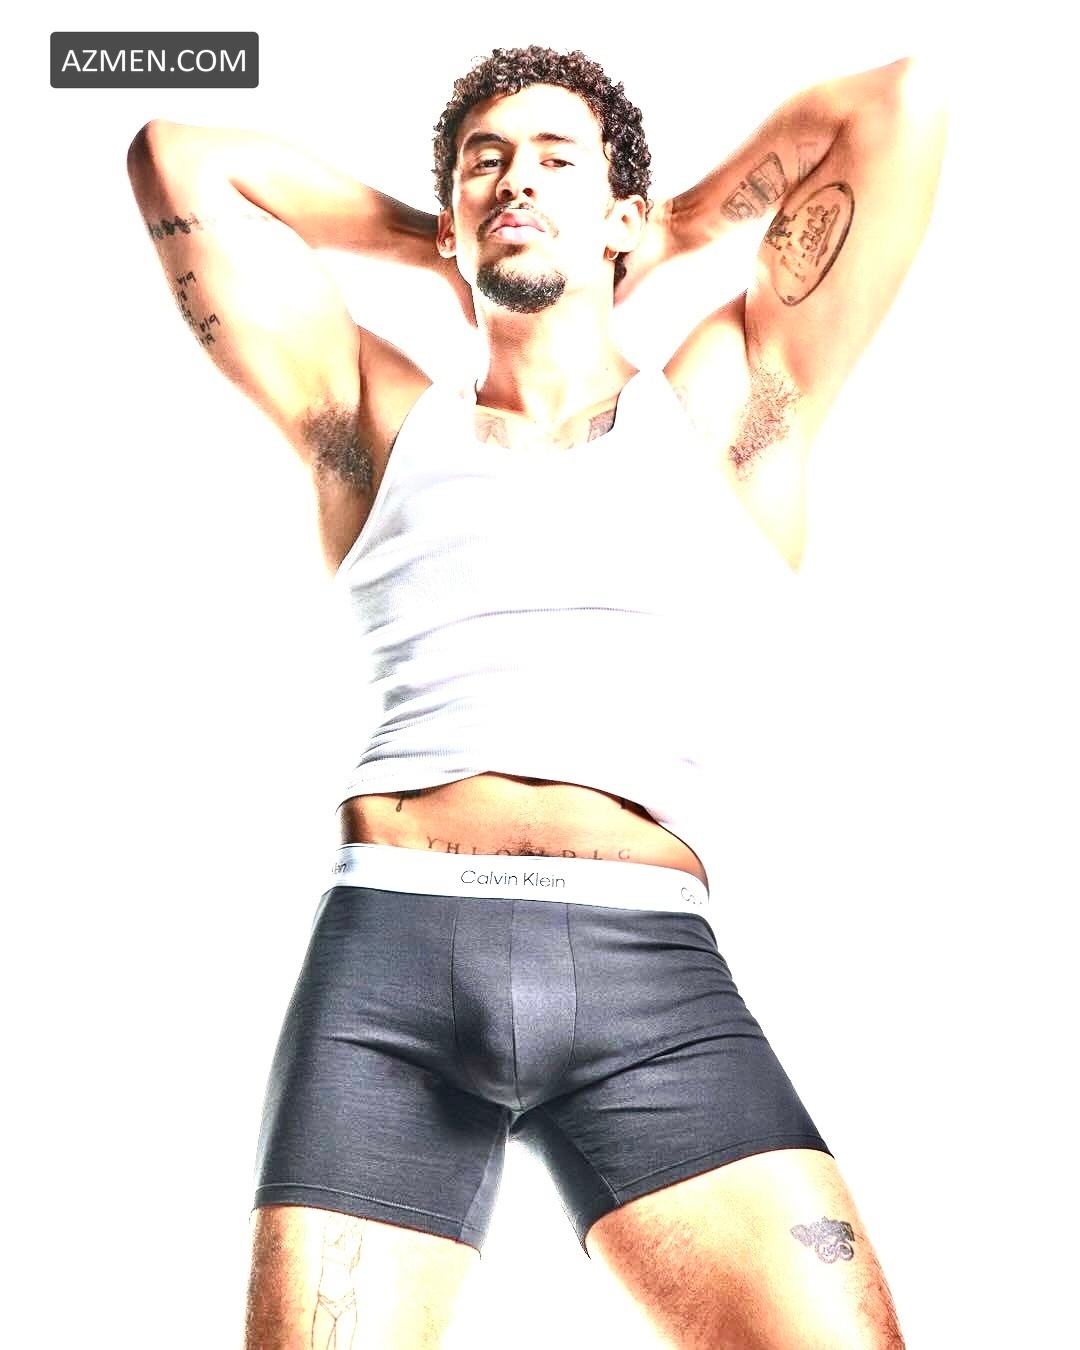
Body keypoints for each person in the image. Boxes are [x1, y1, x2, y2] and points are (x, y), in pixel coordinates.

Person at [127, 45, 945, 1349]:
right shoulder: (376, 421)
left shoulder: (729, 410)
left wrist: (677, 228)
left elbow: (896, 107)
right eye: (486, 163)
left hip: (652, 987)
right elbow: (177, 157)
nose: (517, 179)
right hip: (389, 970)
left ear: (622, 213)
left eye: (559, 159)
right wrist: (434, 240)